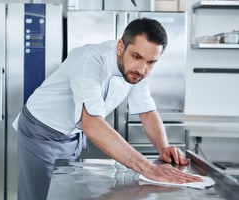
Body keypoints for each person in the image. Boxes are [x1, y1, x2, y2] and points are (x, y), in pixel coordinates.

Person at [16, 18, 202, 200]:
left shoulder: (136, 71)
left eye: (151, 62)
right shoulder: (90, 60)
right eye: (136, 57)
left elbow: (147, 111)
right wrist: (148, 168)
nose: (142, 69)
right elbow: (92, 124)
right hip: (41, 132)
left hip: (73, 135)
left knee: (62, 193)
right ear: (121, 47)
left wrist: (163, 147)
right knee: (39, 196)